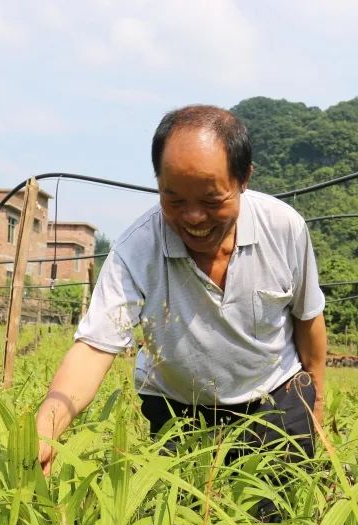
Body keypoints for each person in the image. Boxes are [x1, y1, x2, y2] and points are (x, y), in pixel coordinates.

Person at [35, 105, 327, 474]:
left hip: (274, 397)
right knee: (181, 508)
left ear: (244, 180)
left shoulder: (284, 229)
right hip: (179, 409)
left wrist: (317, 404)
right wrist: (45, 431)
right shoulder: (137, 248)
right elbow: (94, 348)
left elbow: (308, 320)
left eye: (211, 200)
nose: (193, 217)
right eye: (174, 200)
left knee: (275, 506)